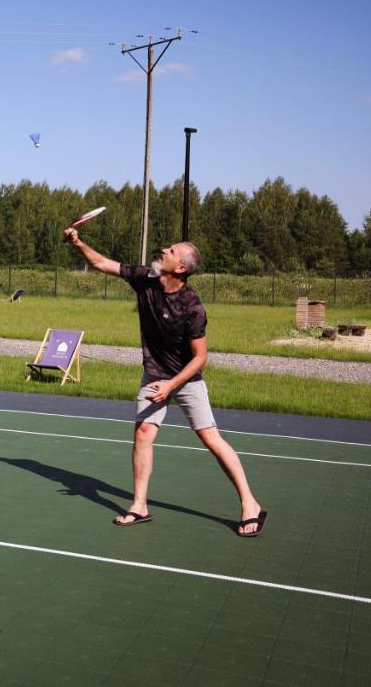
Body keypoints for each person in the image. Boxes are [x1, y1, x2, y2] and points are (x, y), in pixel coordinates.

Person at [62, 228, 267, 537]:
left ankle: (250, 504)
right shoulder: (145, 278)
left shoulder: (192, 306)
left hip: (186, 380)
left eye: (170, 252)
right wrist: (78, 243)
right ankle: (139, 505)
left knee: (211, 439)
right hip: (154, 375)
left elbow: (200, 357)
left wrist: (172, 385)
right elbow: (103, 263)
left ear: (181, 268)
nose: (163, 252)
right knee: (143, 433)